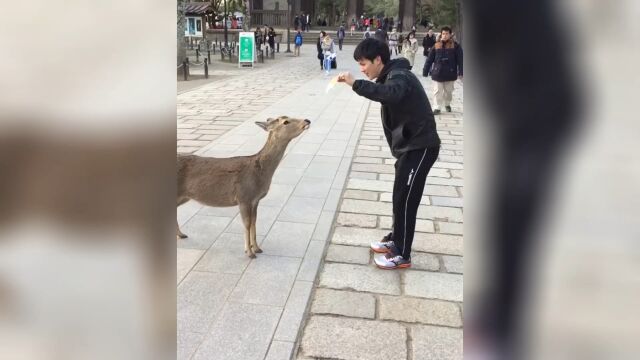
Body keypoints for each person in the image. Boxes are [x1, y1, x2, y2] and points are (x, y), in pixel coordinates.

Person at [336, 38, 440, 269]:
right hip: (409, 147)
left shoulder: (400, 77)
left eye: (364, 64)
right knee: (399, 196)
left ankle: (403, 254)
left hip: (420, 147)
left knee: (406, 199)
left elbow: (391, 94)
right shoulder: (391, 76)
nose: (362, 69)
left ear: (378, 60)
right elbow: (386, 93)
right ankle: (396, 240)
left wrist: (356, 84)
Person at [424, 26, 463, 114]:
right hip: (438, 72)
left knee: (448, 92)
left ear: (450, 35)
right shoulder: (436, 45)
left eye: (447, 34)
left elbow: (461, 60)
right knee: (437, 91)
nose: (445, 35)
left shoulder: (456, 46)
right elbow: (429, 59)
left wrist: (461, 72)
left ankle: (447, 103)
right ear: (441, 35)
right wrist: (425, 70)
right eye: (443, 34)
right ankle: (437, 107)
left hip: (450, 72)